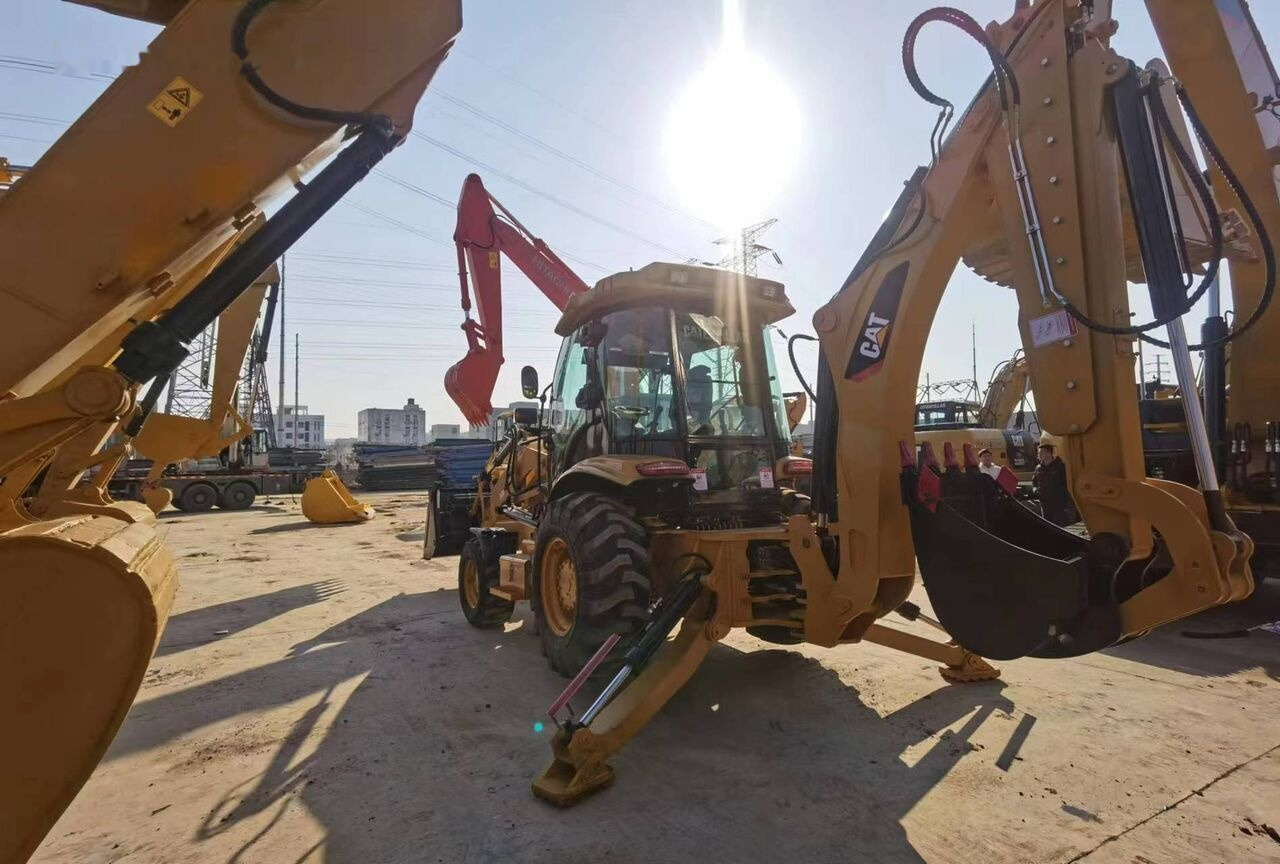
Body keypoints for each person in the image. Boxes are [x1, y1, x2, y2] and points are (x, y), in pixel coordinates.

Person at [1032, 443, 1075, 526]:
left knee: (1059, 526)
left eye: (1041, 453)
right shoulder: (1038, 468)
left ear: (1049, 453)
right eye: (1039, 453)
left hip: (1058, 504)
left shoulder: (1060, 467)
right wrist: (1035, 489)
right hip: (1044, 503)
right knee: (1047, 525)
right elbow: (1034, 482)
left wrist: (1067, 501)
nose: (1039, 455)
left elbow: (1067, 484)